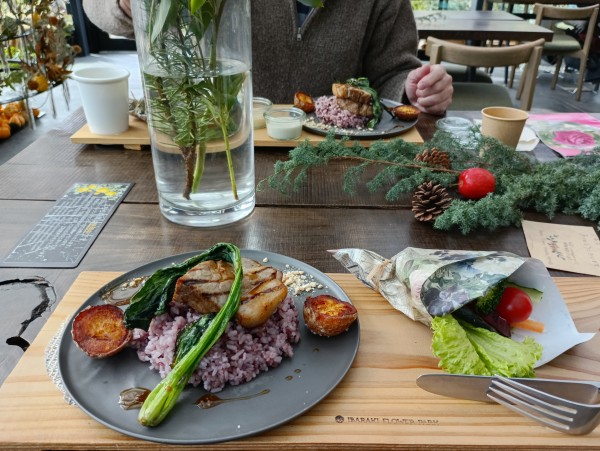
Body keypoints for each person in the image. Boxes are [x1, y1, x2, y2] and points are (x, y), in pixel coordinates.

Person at [82, 0, 453, 114]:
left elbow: (392, 71)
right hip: (215, 142)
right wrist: (125, 5)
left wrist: (412, 89)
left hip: (332, 160)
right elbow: (96, 9)